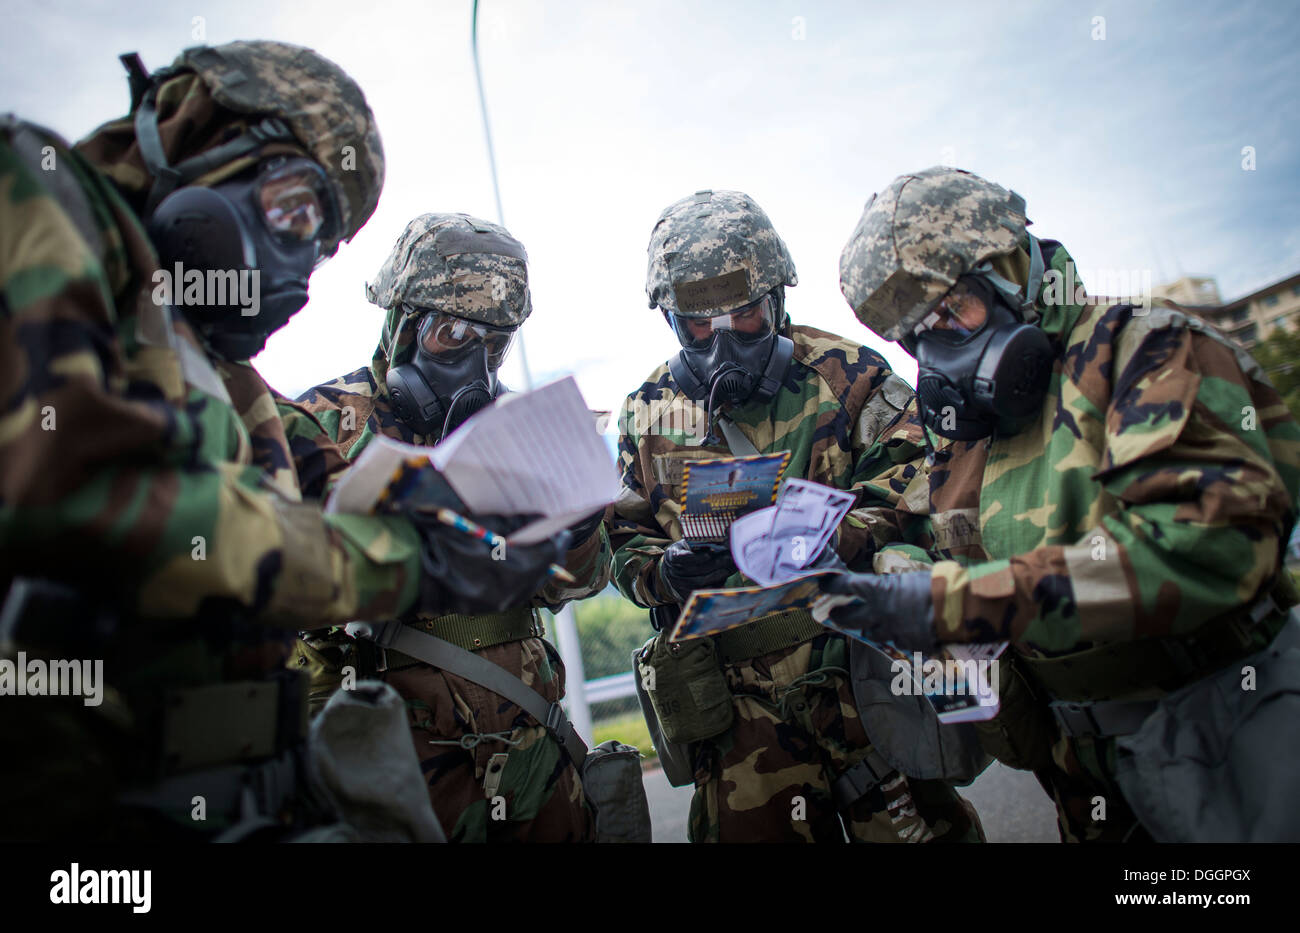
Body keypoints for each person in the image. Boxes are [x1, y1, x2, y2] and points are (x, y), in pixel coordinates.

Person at [0, 42, 563, 842]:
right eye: (297, 214)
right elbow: (80, 492)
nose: (298, 276)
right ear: (197, 130)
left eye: (322, 245)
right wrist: (403, 555)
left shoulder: (221, 375)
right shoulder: (32, 194)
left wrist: (488, 525)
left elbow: (331, 503)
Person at [827, 165, 1300, 842]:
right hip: (1086, 787)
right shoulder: (965, 430)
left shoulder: (1147, 349)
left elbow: (1209, 546)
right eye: (917, 335)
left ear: (1014, 268)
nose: (941, 351)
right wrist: (900, 567)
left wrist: (959, 599)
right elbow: (939, 541)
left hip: (1226, 755)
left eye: (953, 309)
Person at [610, 189, 984, 843]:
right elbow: (619, 537)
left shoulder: (849, 372)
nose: (724, 337)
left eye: (744, 313)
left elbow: (921, 477)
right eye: (700, 322)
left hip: (864, 679)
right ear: (670, 319)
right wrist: (663, 571)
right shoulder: (647, 416)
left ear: (776, 297)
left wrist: (840, 535)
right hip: (737, 716)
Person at [287, 213, 609, 842]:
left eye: (493, 345)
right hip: (401, 765)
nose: (474, 365)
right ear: (402, 326)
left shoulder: (520, 428)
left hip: (530, 745)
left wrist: (578, 525)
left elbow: (576, 583)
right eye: (452, 334)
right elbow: (276, 583)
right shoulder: (325, 424)